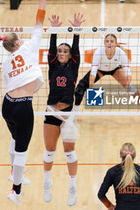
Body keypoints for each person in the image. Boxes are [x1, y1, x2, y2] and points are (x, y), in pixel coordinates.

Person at [0, 0, 47, 205]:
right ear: (18, 42)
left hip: (7, 106)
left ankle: (13, 173)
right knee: (22, 150)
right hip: (22, 107)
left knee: (14, 139)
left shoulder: (7, 62)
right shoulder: (29, 46)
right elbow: (40, 19)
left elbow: (13, 82)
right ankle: (15, 191)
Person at [42, 12, 85, 206]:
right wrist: (54, 30)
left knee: (69, 153)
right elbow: (51, 48)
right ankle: (46, 182)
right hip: (51, 112)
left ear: (70, 55)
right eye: (59, 51)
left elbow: (76, 49)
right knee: (49, 151)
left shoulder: (74, 65)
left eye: (64, 51)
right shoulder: (52, 64)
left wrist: (76, 30)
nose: (61, 53)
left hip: (67, 114)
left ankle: (73, 186)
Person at [74, 33, 140, 121]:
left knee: (131, 88)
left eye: (111, 41)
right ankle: (75, 111)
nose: (109, 43)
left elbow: (127, 71)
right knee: (81, 85)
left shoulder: (121, 53)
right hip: (100, 70)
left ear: (116, 43)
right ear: (104, 43)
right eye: (107, 41)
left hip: (115, 69)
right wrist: (91, 87)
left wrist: (128, 84)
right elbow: (93, 71)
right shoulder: (98, 52)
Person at [98, 142, 140, 210]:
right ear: (134, 156)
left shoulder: (112, 172)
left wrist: (109, 206)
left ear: (120, 155)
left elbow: (101, 195)